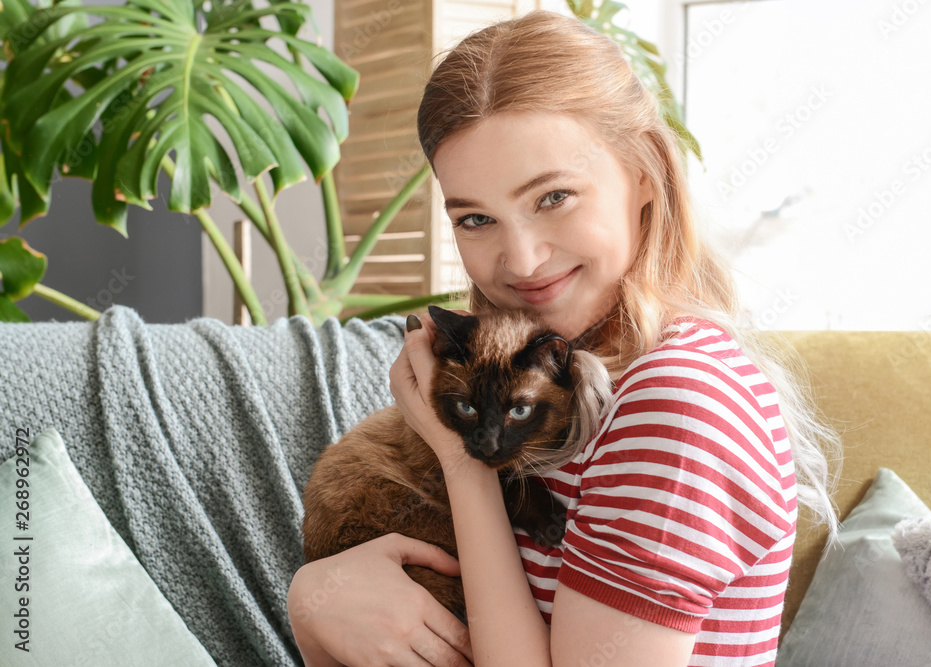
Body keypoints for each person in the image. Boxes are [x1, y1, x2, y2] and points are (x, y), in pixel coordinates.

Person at [287, 9, 841, 666]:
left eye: (553, 197)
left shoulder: (677, 399)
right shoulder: (562, 380)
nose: (519, 259)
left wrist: (462, 460)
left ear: (643, 172)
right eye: (475, 218)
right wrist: (315, 596)